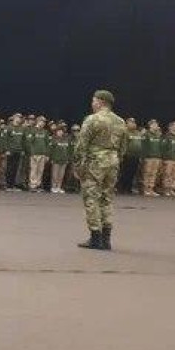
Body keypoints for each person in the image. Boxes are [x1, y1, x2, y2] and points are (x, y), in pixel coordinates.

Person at [75, 90, 127, 251]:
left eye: (94, 101)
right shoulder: (120, 121)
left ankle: (95, 237)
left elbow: (81, 144)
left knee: (91, 197)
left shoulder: (92, 119)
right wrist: (116, 159)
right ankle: (106, 239)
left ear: (100, 102)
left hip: (95, 163)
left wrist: (78, 164)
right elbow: (124, 146)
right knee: (107, 198)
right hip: (113, 162)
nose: (92, 103)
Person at [159, 122, 175, 197]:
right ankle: (166, 189)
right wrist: (163, 158)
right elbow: (163, 148)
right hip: (169, 159)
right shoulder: (166, 136)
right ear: (170, 127)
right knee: (167, 174)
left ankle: (172, 189)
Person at [119, 118, 144, 194]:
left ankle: (129, 188)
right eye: (131, 122)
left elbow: (141, 143)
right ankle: (121, 188)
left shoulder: (138, 133)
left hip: (136, 156)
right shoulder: (124, 132)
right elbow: (122, 144)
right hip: (127, 155)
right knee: (125, 172)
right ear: (126, 124)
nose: (133, 124)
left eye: (134, 122)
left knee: (132, 172)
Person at [26, 118, 51, 192]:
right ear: (38, 122)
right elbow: (30, 142)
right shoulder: (33, 130)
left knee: (40, 170)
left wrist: (47, 155)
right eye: (41, 121)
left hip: (42, 154)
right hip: (35, 154)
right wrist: (32, 153)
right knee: (34, 169)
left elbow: (47, 144)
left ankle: (38, 185)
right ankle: (32, 185)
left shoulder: (45, 132)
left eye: (44, 122)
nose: (43, 123)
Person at [140, 121, 163, 196]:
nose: (156, 126)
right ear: (150, 126)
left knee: (154, 174)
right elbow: (143, 147)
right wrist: (143, 157)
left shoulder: (158, 135)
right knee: (147, 173)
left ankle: (151, 189)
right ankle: (145, 189)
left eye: (156, 124)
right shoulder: (146, 134)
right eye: (154, 124)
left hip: (157, 157)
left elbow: (160, 146)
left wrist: (160, 156)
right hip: (148, 157)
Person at [49, 126, 71, 194]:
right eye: (58, 131)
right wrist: (51, 158)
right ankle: (53, 187)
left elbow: (69, 150)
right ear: (56, 132)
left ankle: (59, 187)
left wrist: (68, 158)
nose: (60, 132)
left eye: (61, 131)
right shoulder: (53, 139)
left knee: (61, 175)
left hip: (64, 159)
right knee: (55, 174)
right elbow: (51, 150)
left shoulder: (66, 139)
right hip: (56, 159)